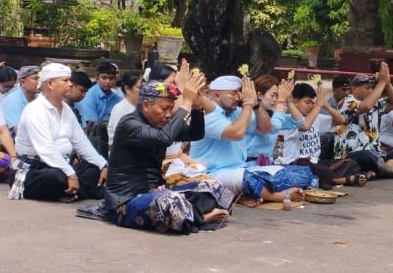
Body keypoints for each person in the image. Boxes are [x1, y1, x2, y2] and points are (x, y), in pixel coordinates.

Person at [105, 75, 234, 233]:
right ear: (146, 105)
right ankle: (202, 218)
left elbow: (196, 133)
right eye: (164, 109)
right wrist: (185, 102)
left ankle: (187, 215)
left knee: (212, 186)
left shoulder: (160, 123)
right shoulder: (129, 124)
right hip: (125, 201)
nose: (168, 114)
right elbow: (164, 139)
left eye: (170, 109)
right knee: (169, 200)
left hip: (155, 190)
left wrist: (196, 106)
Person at [190, 75, 305, 207]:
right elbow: (236, 133)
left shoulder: (237, 112)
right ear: (217, 95)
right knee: (249, 179)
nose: (238, 97)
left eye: (239, 93)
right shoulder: (206, 117)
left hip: (240, 169)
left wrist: (255, 106)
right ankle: (277, 196)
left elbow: (266, 128)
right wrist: (248, 104)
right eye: (233, 93)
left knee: (298, 174)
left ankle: (239, 194)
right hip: (212, 174)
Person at [8, 63, 108, 202]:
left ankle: (73, 191)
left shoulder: (66, 109)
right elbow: (46, 149)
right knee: (56, 178)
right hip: (35, 170)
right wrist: (70, 174)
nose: (70, 85)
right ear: (50, 83)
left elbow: (80, 141)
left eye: (70, 81)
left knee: (94, 169)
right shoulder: (35, 110)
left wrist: (102, 165)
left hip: (63, 165)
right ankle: (77, 190)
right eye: (65, 80)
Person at [279, 83, 369, 188]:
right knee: (307, 165)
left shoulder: (317, 117)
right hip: (296, 163)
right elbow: (304, 126)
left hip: (316, 162)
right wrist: (318, 106)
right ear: (295, 102)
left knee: (350, 163)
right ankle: (339, 180)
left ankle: (324, 178)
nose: (311, 106)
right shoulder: (290, 118)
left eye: (313, 103)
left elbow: (341, 120)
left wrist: (325, 105)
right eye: (307, 102)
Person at [245, 74, 304, 166]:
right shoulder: (250, 113)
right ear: (260, 95)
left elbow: (299, 122)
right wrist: (281, 101)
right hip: (249, 164)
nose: (275, 99)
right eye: (272, 95)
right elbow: (273, 127)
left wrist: (288, 101)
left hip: (268, 163)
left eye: (277, 96)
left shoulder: (273, 113)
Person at [77, 61, 122, 159]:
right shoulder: (89, 96)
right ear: (97, 78)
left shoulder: (117, 99)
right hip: (92, 138)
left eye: (111, 78)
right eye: (104, 77)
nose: (107, 81)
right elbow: (91, 124)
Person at [1, 65, 40, 136]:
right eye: (35, 79)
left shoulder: (40, 97)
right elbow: (19, 132)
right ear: (23, 82)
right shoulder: (11, 101)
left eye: (40, 79)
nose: (39, 82)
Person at [107, 71, 142, 148]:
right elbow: (123, 137)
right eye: (139, 88)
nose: (143, 91)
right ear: (127, 89)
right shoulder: (120, 108)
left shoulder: (142, 107)